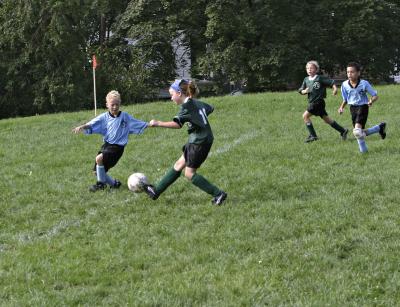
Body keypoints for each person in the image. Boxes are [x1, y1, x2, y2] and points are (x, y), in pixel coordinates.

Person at [143, 79, 227, 205]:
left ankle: (218, 193)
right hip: (201, 139)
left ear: (179, 93)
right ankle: (156, 191)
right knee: (179, 164)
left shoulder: (186, 108)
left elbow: (177, 124)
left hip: (199, 142)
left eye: (172, 95)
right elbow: (210, 108)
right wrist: (197, 120)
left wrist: (158, 123)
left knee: (189, 174)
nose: (171, 98)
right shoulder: (196, 103)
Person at [72, 90, 148, 191]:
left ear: (120, 103)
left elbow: (137, 123)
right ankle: (114, 184)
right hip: (107, 146)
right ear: (107, 105)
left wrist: (150, 124)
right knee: (97, 172)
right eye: (112, 105)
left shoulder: (125, 117)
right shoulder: (104, 117)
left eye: (117, 104)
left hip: (117, 148)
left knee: (99, 159)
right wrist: (83, 126)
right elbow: (92, 123)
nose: (115, 107)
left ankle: (100, 185)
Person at [338, 62, 386, 153]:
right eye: (348, 72)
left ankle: (364, 152)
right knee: (359, 132)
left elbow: (375, 95)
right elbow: (345, 99)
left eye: (352, 72)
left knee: (357, 132)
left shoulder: (364, 83)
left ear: (358, 73)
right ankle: (379, 128)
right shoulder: (344, 85)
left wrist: (371, 101)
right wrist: (341, 107)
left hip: (363, 107)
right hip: (352, 108)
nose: (349, 74)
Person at [299, 60, 348, 143]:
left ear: (316, 69)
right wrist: (304, 91)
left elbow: (331, 82)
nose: (309, 70)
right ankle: (343, 131)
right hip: (312, 102)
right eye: (307, 68)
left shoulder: (320, 78)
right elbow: (300, 89)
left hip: (318, 102)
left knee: (305, 116)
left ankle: (313, 136)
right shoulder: (306, 79)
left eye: (311, 68)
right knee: (327, 120)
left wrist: (335, 89)